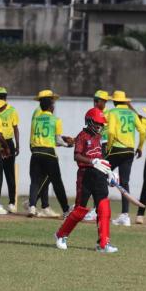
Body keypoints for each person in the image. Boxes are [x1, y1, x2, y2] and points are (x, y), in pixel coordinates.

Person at [54, 108, 118, 253]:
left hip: (99, 176)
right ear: (89, 121)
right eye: (97, 123)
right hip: (85, 175)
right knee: (80, 210)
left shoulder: (99, 138)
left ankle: (103, 244)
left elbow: (101, 158)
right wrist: (92, 162)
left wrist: (110, 172)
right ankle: (61, 235)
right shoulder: (82, 136)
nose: (100, 126)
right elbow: (76, 156)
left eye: (102, 124)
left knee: (104, 208)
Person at [28, 90, 73, 217]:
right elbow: (57, 140)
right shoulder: (56, 120)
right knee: (57, 182)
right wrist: (67, 144)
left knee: (35, 181)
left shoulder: (36, 120)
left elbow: (33, 137)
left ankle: (32, 207)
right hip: (49, 154)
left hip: (36, 152)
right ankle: (65, 210)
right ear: (51, 107)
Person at [106, 90, 146, 227]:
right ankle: (125, 216)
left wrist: (108, 148)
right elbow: (142, 131)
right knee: (125, 182)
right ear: (124, 101)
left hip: (116, 149)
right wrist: (140, 147)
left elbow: (110, 131)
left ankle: (96, 210)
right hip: (129, 151)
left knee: (99, 175)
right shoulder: (132, 114)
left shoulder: (112, 113)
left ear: (114, 101)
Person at [82, 90, 111, 222]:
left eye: (103, 101)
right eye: (98, 100)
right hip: (95, 148)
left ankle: (97, 209)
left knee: (100, 181)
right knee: (92, 181)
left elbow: (104, 136)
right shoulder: (92, 113)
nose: (98, 103)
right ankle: (86, 208)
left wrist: (104, 155)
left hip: (103, 147)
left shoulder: (106, 114)